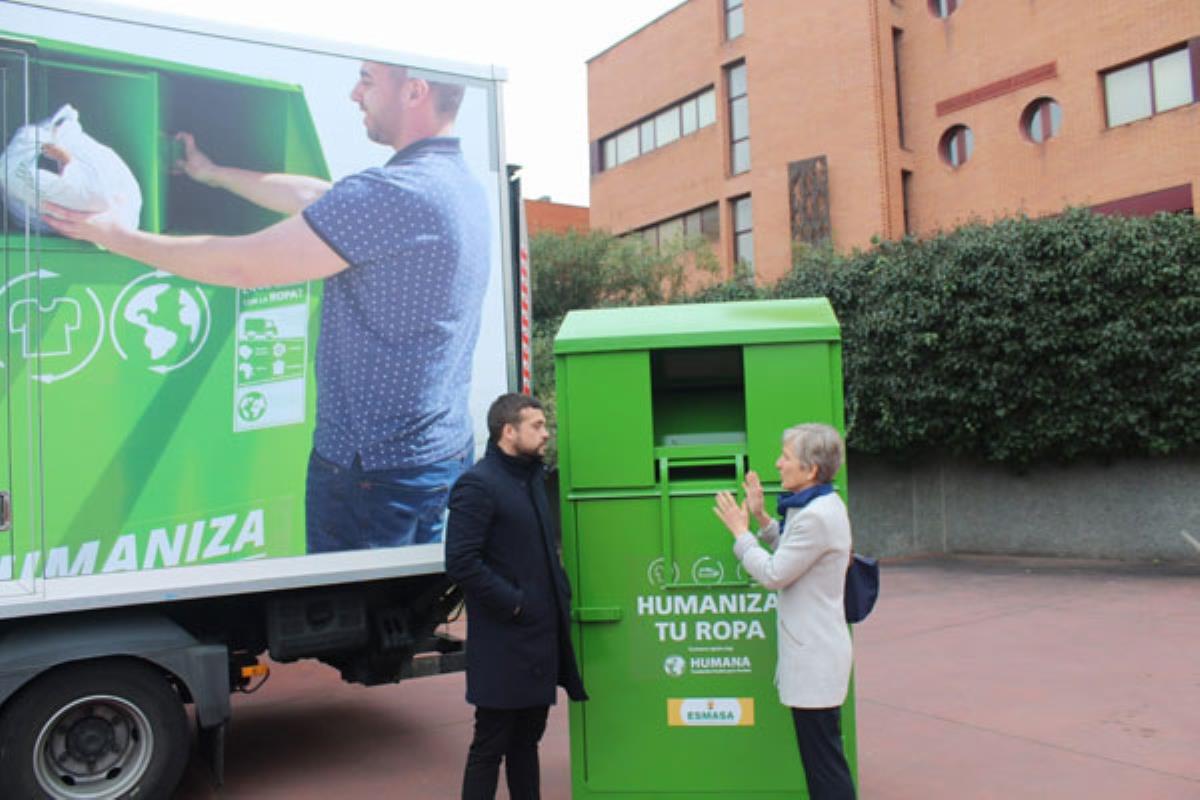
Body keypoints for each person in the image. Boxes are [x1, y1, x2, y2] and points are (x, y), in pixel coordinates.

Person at [43, 61, 489, 552]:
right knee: (411, 597)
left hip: (374, 475)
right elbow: (319, 197)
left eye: (367, 80)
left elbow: (243, 267)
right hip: (436, 458)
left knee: (357, 601)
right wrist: (212, 174)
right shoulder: (454, 184)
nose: (354, 94)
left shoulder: (394, 194)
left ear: (414, 92)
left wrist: (116, 236)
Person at [444, 393, 588, 800]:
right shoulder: (478, 484)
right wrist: (515, 602)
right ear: (509, 431)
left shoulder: (530, 479)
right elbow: (461, 561)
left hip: (538, 640)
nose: (546, 433)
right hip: (503, 644)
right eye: (537, 426)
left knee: (526, 742)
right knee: (490, 745)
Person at [713, 423, 856, 800]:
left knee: (824, 765)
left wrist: (740, 532)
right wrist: (761, 518)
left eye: (786, 457)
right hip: (817, 653)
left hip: (816, 657)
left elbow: (775, 573)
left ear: (811, 469)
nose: (778, 463)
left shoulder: (815, 514)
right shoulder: (816, 506)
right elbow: (796, 553)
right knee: (822, 758)